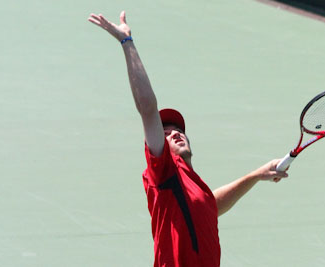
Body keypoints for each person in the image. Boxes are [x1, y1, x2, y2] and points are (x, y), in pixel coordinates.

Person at [88, 10, 289, 267]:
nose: (175, 133)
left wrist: (255, 175)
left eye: (178, 130)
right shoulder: (163, 172)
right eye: (166, 133)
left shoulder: (192, 185)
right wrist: (127, 42)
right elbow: (148, 107)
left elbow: (208, 206)